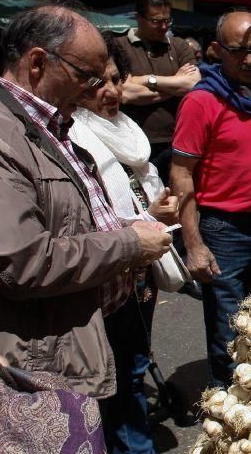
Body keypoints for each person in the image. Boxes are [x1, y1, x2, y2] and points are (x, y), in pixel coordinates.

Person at [0, 5, 172, 399]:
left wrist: (129, 228)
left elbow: (72, 222)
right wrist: (129, 244)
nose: (93, 91)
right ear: (37, 63)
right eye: (86, 76)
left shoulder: (53, 124)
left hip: (86, 328)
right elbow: (22, 261)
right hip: (39, 362)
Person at [170, 11, 251, 387]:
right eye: (238, 51)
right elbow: (180, 172)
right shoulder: (201, 102)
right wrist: (193, 244)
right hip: (224, 232)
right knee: (230, 331)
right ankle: (228, 413)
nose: (249, 61)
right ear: (216, 51)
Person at [69, 39, 180, 454]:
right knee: (116, 375)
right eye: (97, 83)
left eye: (116, 80)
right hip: (106, 278)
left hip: (139, 274)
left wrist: (154, 213)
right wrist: (145, 217)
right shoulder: (75, 137)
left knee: (132, 363)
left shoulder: (129, 132)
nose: (110, 91)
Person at [116, 0, 200, 186]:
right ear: (138, 17)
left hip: (177, 142)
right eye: (155, 21)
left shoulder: (179, 46)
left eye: (167, 21)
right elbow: (125, 93)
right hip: (134, 144)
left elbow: (192, 84)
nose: (163, 26)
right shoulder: (119, 46)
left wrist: (145, 80)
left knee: (177, 199)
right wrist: (174, 84)